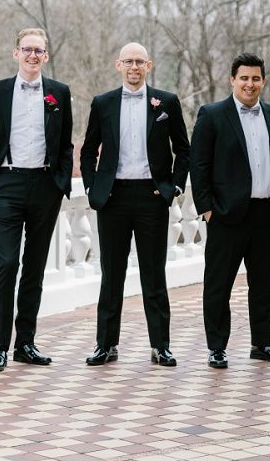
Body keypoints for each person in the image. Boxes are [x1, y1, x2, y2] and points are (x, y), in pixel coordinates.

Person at [80, 42, 190, 367]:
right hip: (112, 198)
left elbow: (184, 149)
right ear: (118, 65)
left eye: (139, 61)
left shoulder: (166, 102)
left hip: (151, 198)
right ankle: (106, 345)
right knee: (111, 275)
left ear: (149, 65)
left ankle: (161, 346)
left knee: (153, 274)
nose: (133, 67)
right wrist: (91, 186)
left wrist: (174, 187)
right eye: (128, 61)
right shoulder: (103, 103)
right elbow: (88, 150)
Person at [0, 28, 73, 373]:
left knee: (34, 268)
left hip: (45, 186)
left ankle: (25, 344)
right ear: (16, 53)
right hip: (7, 185)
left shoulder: (59, 93)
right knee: (6, 264)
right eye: (27, 49)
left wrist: (61, 182)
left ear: (45, 56)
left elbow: (65, 145)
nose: (33, 55)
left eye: (39, 51)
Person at [190, 53, 270, 369]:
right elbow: (199, 165)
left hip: (267, 215)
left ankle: (263, 344)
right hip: (227, 216)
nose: (250, 84)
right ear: (232, 80)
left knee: (263, 284)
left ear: (263, 80)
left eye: (256, 78)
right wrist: (208, 209)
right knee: (218, 284)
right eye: (244, 78)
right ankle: (217, 347)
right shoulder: (212, 114)